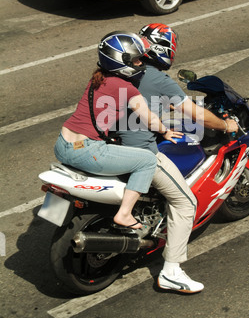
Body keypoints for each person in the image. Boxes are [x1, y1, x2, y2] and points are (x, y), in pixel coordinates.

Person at [118, 23, 238, 293]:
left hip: (106, 143)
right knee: (186, 203)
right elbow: (193, 113)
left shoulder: (118, 71)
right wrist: (225, 125)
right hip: (137, 151)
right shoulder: (156, 78)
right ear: (164, 49)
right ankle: (171, 271)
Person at [54, 31, 181, 232]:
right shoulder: (127, 88)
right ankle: (124, 213)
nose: (141, 64)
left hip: (63, 145)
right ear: (122, 62)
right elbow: (149, 119)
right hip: (86, 150)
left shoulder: (97, 78)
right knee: (147, 160)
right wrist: (165, 131)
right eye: (138, 60)